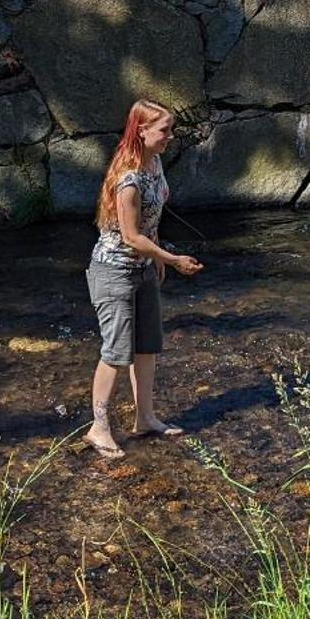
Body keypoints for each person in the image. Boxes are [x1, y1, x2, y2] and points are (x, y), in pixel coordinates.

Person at [85, 99, 202, 458]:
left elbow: (150, 225)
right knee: (117, 353)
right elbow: (130, 236)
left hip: (144, 267)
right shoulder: (129, 179)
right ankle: (98, 428)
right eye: (164, 130)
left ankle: (145, 418)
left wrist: (156, 258)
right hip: (114, 271)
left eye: (171, 129)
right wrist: (172, 258)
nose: (170, 136)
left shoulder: (155, 163)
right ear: (142, 131)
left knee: (147, 346)